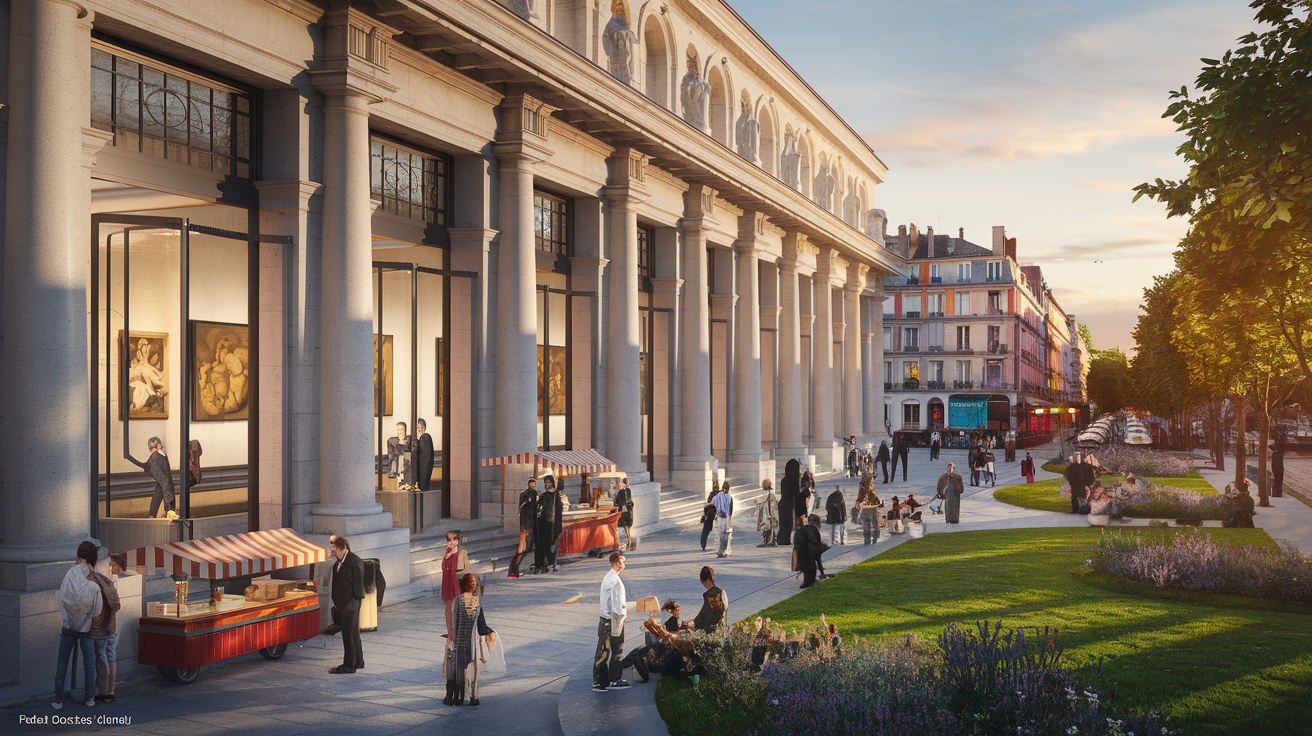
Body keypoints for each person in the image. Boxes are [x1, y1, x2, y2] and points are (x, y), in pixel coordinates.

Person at [54, 541, 102, 709]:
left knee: (62, 664)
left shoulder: (69, 574)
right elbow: (97, 610)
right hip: (85, 629)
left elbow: (61, 597)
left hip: (68, 627)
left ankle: (58, 700)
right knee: (89, 664)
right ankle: (90, 698)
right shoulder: (93, 582)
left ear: (78, 558)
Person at [445, 573, 493, 706]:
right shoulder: (477, 600)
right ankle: (474, 696)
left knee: (461, 668)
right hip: (473, 640)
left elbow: (455, 622)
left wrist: (452, 636)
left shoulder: (458, 600)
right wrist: (488, 633)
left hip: (461, 639)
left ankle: (459, 697)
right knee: (474, 668)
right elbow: (481, 624)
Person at [88, 550, 121, 704]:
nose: (109, 567)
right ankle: (109, 691)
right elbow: (116, 605)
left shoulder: (97, 582)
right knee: (109, 656)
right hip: (110, 625)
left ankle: (100, 690)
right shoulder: (109, 582)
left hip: (100, 627)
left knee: (101, 657)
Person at [328, 534, 365, 674]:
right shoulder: (338, 563)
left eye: (335, 548)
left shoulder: (355, 562)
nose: (333, 550)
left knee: (349, 635)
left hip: (350, 604)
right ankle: (358, 661)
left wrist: (351, 606)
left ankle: (349, 665)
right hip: (342, 605)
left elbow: (358, 589)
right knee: (353, 633)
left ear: (343, 548)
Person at [594, 552, 630, 692]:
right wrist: (617, 626)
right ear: (615, 563)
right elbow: (616, 605)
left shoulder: (610, 577)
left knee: (603, 651)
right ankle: (614, 680)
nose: (623, 564)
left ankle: (600, 681)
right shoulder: (614, 580)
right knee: (616, 650)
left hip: (606, 619)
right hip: (613, 620)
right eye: (621, 561)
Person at [126, 436, 175, 518]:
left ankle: (154, 514)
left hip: (165, 482)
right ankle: (161, 513)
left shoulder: (159, 455)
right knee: (163, 488)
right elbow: (164, 481)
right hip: (165, 483)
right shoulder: (157, 456)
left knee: (161, 489)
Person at [440, 530, 469, 639]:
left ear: (458, 541)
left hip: (455, 581)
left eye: (454, 539)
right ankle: (450, 632)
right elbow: (443, 567)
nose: (451, 542)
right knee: (448, 607)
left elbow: (459, 568)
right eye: (449, 540)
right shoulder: (447, 552)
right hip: (447, 581)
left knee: (455, 607)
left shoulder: (460, 553)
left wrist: (452, 554)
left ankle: (457, 632)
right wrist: (448, 556)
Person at [509, 478, 538, 578]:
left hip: (527, 522)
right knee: (524, 547)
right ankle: (516, 567)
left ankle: (515, 568)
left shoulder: (527, 495)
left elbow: (521, 509)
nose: (532, 488)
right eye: (532, 486)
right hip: (528, 522)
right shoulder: (531, 495)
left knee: (524, 547)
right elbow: (522, 509)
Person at [685, 565, 728, 633]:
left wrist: (694, 624)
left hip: (712, 632)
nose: (703, 584)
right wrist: (694, 621)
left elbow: (707, 616)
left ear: (708, 581)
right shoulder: (722, 592)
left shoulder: (711, 595)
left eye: (703, 582)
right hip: (722, 629)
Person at [535, 476, 564, 573]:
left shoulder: (555, 496)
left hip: (552, 523)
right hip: (543, 523)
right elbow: (539, 508)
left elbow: (558, 511)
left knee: (551, 542)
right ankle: (542, 563)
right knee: (542, 543)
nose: (547, 484)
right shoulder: (543, 496)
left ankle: (551, 562)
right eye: (546, 482)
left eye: (548, 482)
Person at [796, 514, 826, 589]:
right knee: (811, 566)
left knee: (806, 566)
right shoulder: (812, 529)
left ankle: (807, 582)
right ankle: (810, 581)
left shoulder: (802, 530)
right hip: (811, 550)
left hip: (804, 550)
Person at [854, 476, 883, 544]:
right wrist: (879, 502)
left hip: (865, 510)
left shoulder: (862, 490)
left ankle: (867, 539)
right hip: (872, 510)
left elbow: (859, 500)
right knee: (875, 524)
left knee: (867, 525)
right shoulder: (870, 491)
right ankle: (875, 538)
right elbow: (878, 501)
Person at [778, 459, 800, 546]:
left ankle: (783, 539)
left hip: (784, 504)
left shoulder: (784, 479)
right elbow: (796, 493)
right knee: (789, 524)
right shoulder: (794, 480)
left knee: (784, 525)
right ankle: (787, 540)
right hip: (790, 504)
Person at [712, 480, 734, 558]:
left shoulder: (726, 496)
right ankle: (722, 550)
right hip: (723, 518)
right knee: (723, 535)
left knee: (724, 535)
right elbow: (713, 504)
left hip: (724, 518)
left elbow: (730, 508)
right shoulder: (722, 496)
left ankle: (723, 550)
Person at [414, 419, 435, 492]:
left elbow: (426, 458)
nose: (420, 430)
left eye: (421, 427)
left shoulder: (425, 437)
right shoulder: (415, 439)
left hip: (423, 469)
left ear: (425, 428)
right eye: (418, 427)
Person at [755, 479, 778, 547]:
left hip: (769, 513)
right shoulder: (767, 493)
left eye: (764, 484)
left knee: (769, 526)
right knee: (766, 527)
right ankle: (767, 540)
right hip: (766, 512)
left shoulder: (770, 494)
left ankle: (771, 540)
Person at [615, 478, 635, 551]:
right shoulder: (628, 490)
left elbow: (617, 501)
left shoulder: (621, 492)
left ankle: (627, 543)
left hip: (624, 512)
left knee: (625, 528)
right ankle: (628, 543)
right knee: (627, 529)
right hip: (629, 512)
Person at [699, 486, 716, 551]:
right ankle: (703, 545)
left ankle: (703, 545)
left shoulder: (714, 494)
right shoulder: (713, 494)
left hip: (712, 513)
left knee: (706, 531)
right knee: (706, 530)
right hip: (712, 514)